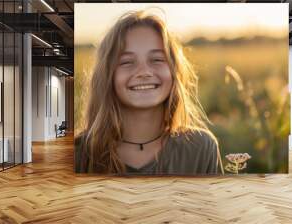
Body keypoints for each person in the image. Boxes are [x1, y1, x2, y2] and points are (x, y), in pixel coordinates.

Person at [75, 10, 223, 175]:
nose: (144, 72)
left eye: (157, 59)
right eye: (127, 62)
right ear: (107, 75)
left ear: (174, 71)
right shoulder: (78, 153)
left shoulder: (200, 148)